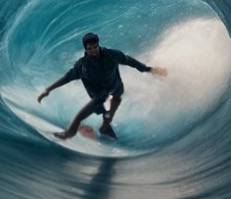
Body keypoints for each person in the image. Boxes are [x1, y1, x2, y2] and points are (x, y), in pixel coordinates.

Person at [37, 32, 167, 140]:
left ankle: (105, 126)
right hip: (97, 92)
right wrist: (48, 89)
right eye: (89, 49)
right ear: (85, 49)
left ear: (98, 45)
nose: (93, 51)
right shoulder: (82, 66)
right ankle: (69, 133)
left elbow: (130, 61)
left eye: (94, 47)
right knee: (81, 115)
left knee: (114, 105)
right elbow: (67, 78)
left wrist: (150, 70)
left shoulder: (112, 55)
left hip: (115, 85)